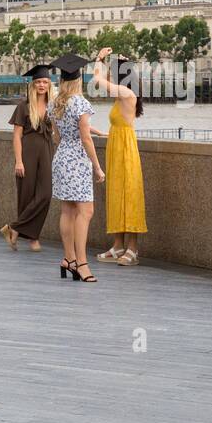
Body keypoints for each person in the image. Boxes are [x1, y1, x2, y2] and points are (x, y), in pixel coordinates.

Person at [49, 53, 105, 283]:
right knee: (85, 212)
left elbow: (57, 136)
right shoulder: (81, 103)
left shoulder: (54, 104)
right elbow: (85, 139)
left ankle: (69, 259)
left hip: (61, 157)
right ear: (78, 80)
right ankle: (82, 264)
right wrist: (98, 167)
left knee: (67, 211)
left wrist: (92, 131)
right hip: (78, 161)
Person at [92, 48, 146, 266]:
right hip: (117, 144)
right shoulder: (120, 93)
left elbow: (97, 81)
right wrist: (110, 65)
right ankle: (117, 246)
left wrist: (98, 59)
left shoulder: (127, 94)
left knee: (129, 195)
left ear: (123, 78)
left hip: (125, 148)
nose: (111, 78)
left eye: (115, 75)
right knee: (116, 194)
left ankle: (132, 248)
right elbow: (103, 82)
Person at [0, 64, 57, 253]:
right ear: (33, 85)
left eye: (45, 82)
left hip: (47, 152)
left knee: (45, 194)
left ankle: (14, 228)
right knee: (27, 195)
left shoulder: (54, 106)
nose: (42, 85)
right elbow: (16, 135)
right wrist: (18, 161)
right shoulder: (23, 107)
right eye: (38, 82)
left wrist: (96, 131)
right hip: (27, 154)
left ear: (50, 84)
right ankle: (33, 238)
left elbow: (75, 124)